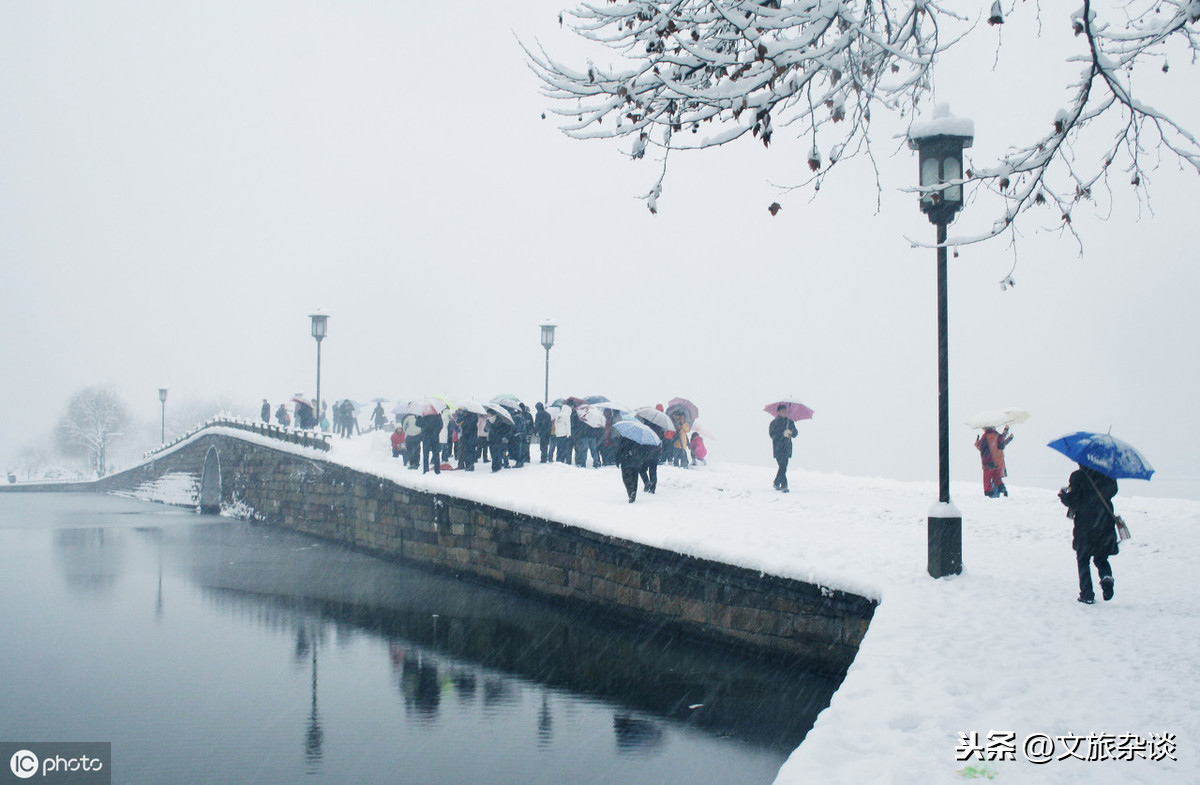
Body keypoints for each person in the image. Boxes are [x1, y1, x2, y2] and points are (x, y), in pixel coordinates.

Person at [1058, 464, 1120, 604]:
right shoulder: (1108, 476)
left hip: (1085, 523)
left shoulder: (1078, 476)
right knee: (1101, 557)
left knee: (1083, 558)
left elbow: (1073, 499)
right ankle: (1106, 578)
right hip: (1104, 520)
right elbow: (1113, 491)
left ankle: (1087, 593)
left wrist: (1063, 496)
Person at [615, 435, 660, 503]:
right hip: (636, 461)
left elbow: (619, 449)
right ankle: (634, 492)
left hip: (625, 460)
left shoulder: (624, 437)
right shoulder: (639, 438)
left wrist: (617, 460)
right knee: (634, 477)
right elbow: (642, 450)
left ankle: (631, 492)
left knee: (626, 478)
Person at [975, 426, 1013, 497]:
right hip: (998, 463)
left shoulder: (985, 437)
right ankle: (1003, 490)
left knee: (987, 480)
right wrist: (1008, 434)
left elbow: (983, 449)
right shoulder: (998, 436)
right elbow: (1001, 445)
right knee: (997, 479)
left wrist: (977, 443)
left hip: (989, 464)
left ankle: (988, 495)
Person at [769, 404, 796, 492]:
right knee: (782, 466)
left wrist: (790, 432)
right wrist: (782, 434)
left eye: (786, 411)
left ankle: (776, 482)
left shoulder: (790, 422)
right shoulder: (774, 423)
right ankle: (784, 486)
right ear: (778, 412)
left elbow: (795, 434)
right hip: (778, 448)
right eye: (783, 411)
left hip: (787, 448)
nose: (785, 413)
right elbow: (772, 435)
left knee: (783, 467)